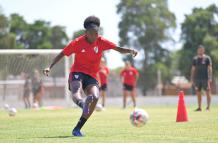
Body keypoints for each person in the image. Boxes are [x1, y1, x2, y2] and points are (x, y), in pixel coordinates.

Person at [43, 16, 137, 137]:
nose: (94, 36)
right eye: (91, 33)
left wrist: (130, 51)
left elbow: (118, 49)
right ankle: (83, 104)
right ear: (86, 33)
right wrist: (49, 67)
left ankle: (77, 128)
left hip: (91, 75)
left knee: (95, 96)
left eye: (96, 33)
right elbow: (62, 54)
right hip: (77, 72)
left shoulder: (101, 41)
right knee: (76, 89)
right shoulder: (77, 43)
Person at [190, 45, 213, 111]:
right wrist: (192, 78)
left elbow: (210, 68)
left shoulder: (207, 58)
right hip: (197, 79)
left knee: (208, 92)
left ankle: (208, 107)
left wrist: (210, 77)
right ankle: (199, 107)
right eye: (199, 49)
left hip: (206, 78)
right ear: (197, 50)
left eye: (201, 49)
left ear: (204, 50)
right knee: (198, 93)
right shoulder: (195, 59)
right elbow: (193, 69)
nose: (200, 51)